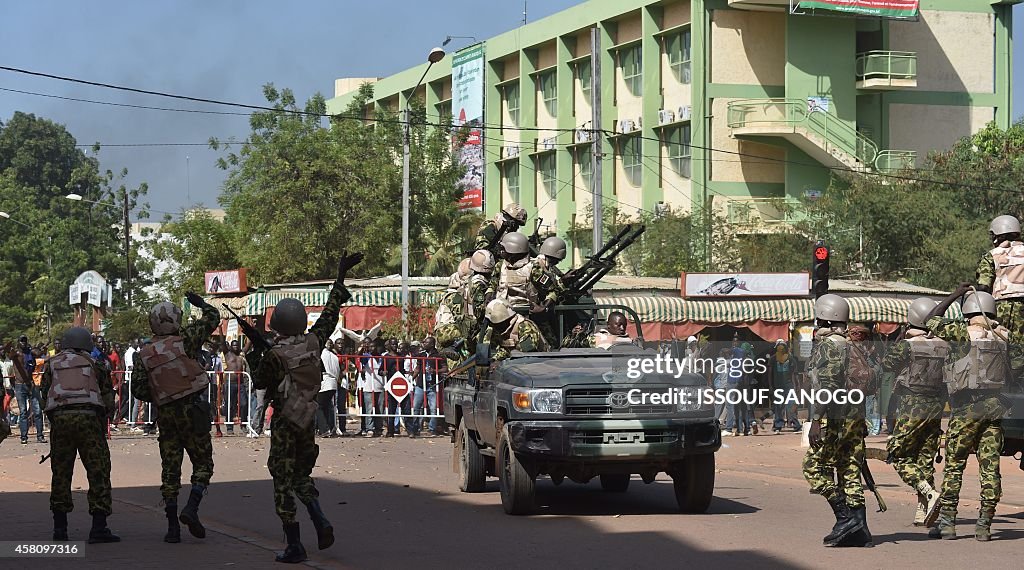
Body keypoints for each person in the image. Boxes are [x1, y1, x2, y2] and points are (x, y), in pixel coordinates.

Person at [249, 251, 362, 563]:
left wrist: (252, 354)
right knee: (301, 476)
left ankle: (294, 544)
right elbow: (330, 312)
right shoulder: (314, 342)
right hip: (307, 418)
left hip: (285, 420)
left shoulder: (274, 355)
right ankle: (320, 519)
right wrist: (340, 276)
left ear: (278, 325)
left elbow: (261, 383)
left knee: (282, 480)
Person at [923, 285, 1010, 541]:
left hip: (966, 409)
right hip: (994, 408)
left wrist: (955, 294)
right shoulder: (1005, 336)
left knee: (954, 467)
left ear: (967, 312)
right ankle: (984, 525)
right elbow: (1016, 372)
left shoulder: (962, 333)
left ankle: (948, 524)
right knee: (990, 469)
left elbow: (931, 319)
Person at [132, 293, 219, 543]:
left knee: (170, 469)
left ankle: (172, 528)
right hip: (193, 409)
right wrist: (200, 303)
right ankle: (192, 507)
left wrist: (162, 392)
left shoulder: (144, 354)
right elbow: (213, 317)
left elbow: (138, 389)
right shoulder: (187, 340)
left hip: (166, 414)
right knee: (203, 464)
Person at [802, 294, 871, 548]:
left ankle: (845, 519)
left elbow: (828, 386)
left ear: (824, 317)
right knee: (850, 470)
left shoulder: (830, 345)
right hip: (855, 417)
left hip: (836, 418)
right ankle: (860, 530)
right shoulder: (852, 344)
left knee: (812, 467)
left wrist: (816, 421)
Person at [41, 327, 119, 544]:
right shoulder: (96, 364)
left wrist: (55, 418)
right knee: (98, 471)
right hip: (89, 419)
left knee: (61, 473)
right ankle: (99, 527)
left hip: (62, 420)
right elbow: (107, 396)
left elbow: (44, 394)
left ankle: (60, 529)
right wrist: (104, 419)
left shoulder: (52, 364)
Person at [881, 297, 946, 527]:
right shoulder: (944, 344)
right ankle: (923, 510)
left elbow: (886, 364)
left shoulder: (908, 345)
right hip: (936, 406)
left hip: (912, 403)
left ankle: (929, 493)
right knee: (924, 458)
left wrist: (903, 338)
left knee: (897, 454)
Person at [975, 214, 1024, 337]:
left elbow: (983, 287)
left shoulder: (991, 256)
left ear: (999, 235)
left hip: (1002, 308)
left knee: (1003, 345)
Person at [483, 298, 549, 361]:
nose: (494, 327)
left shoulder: (525, 326)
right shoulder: (502, 329)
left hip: (538, 364)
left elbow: (527, 353)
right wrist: (494, 360)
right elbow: (505, 351)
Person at [487, 232, 534, 309]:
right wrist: (489, 293)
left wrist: (544, 307)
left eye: (503, 249)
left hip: (524, 313)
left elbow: (552, 291)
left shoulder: (533, 267)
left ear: (513, 249)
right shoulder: (500, 265)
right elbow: (493, 284)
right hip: (501, 312)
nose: (501, 251)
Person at [12, 337, 45, 444]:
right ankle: (24, 437)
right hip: (19, 385)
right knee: (23, 412)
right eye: (21, 341)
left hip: (31, 384)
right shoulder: (15, 354)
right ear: (18, 342)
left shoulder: (31, 353)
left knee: (38, 410)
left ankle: (40, 436)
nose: (23, 343)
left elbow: (40, 353)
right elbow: (10, 354)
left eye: (25, 341)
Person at [462, 249, 496, 345]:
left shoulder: (470, 280)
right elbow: (479, 311)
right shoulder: (479, 283)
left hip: (469, 327)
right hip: (478, 329)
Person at [767, 340, 800, 434]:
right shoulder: (773, 359)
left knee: (791, 406)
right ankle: (778, 426)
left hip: (789, 386)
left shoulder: (790, 359)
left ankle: (796, 425)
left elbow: (794, 374)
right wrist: (770, 386)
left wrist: (797, 386)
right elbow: (769, 374)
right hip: (777, 387)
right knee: (778, 407)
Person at [434, 267, 469, 349]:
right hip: (452, 333)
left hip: (440, 333)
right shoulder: (456, 297)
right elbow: (460, 318)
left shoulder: (444, 298)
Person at [223, 339, 250, 435]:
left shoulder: (241, 355)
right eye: (233, 345)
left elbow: (248, 343)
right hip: (229, 382)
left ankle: (243, 425)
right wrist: (220, 329)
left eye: (237, 345)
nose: (235, 347)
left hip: (240, 383)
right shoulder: (227, 354)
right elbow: (222, 342)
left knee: (244, 403)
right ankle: (229, 427)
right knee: (229, 405)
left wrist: (251, 329)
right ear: (230, 346)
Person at [316, 339, 340, 438]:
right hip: (333, 383)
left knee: (318, 406)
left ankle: (324, 429)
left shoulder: (321, 354)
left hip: (325, 382)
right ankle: (330, 427)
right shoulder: (334, 357)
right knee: (326, 406)